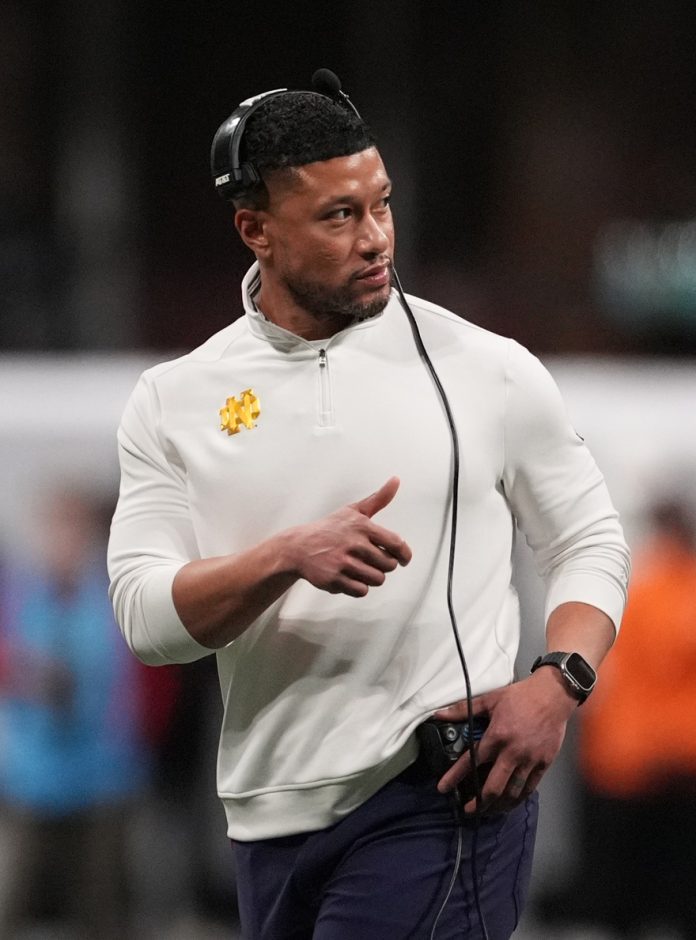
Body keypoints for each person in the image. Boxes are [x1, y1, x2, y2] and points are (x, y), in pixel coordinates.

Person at [107, 76, 630, 939]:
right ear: (256, 231)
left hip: (439, 799)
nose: (377, 236)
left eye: (380, 204)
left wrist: (559, 684)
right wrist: (283, 556)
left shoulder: (484, 368)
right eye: (338, 216)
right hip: (266, 816)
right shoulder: (175, 398)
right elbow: (148, 621)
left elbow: (588, 539)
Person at [574, 496, 696, 939]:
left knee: (631, 888)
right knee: (660, 885)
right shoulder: (662, 588)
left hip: (630, 759)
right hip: (655, 759)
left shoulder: (634, 590)